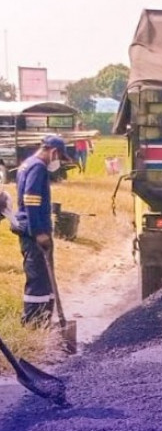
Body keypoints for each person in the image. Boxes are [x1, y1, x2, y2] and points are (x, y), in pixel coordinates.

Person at [12, 136, 71, 327]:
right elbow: (31, 200)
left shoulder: (27, 164)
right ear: (53, 152)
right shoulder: (38, 167)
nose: (58, 162)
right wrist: (39, 232)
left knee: (43, 276)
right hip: (34, 232)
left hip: (28, 228)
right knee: (39, 278)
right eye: (60, 157)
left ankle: (43, 320)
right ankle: (34, 322)